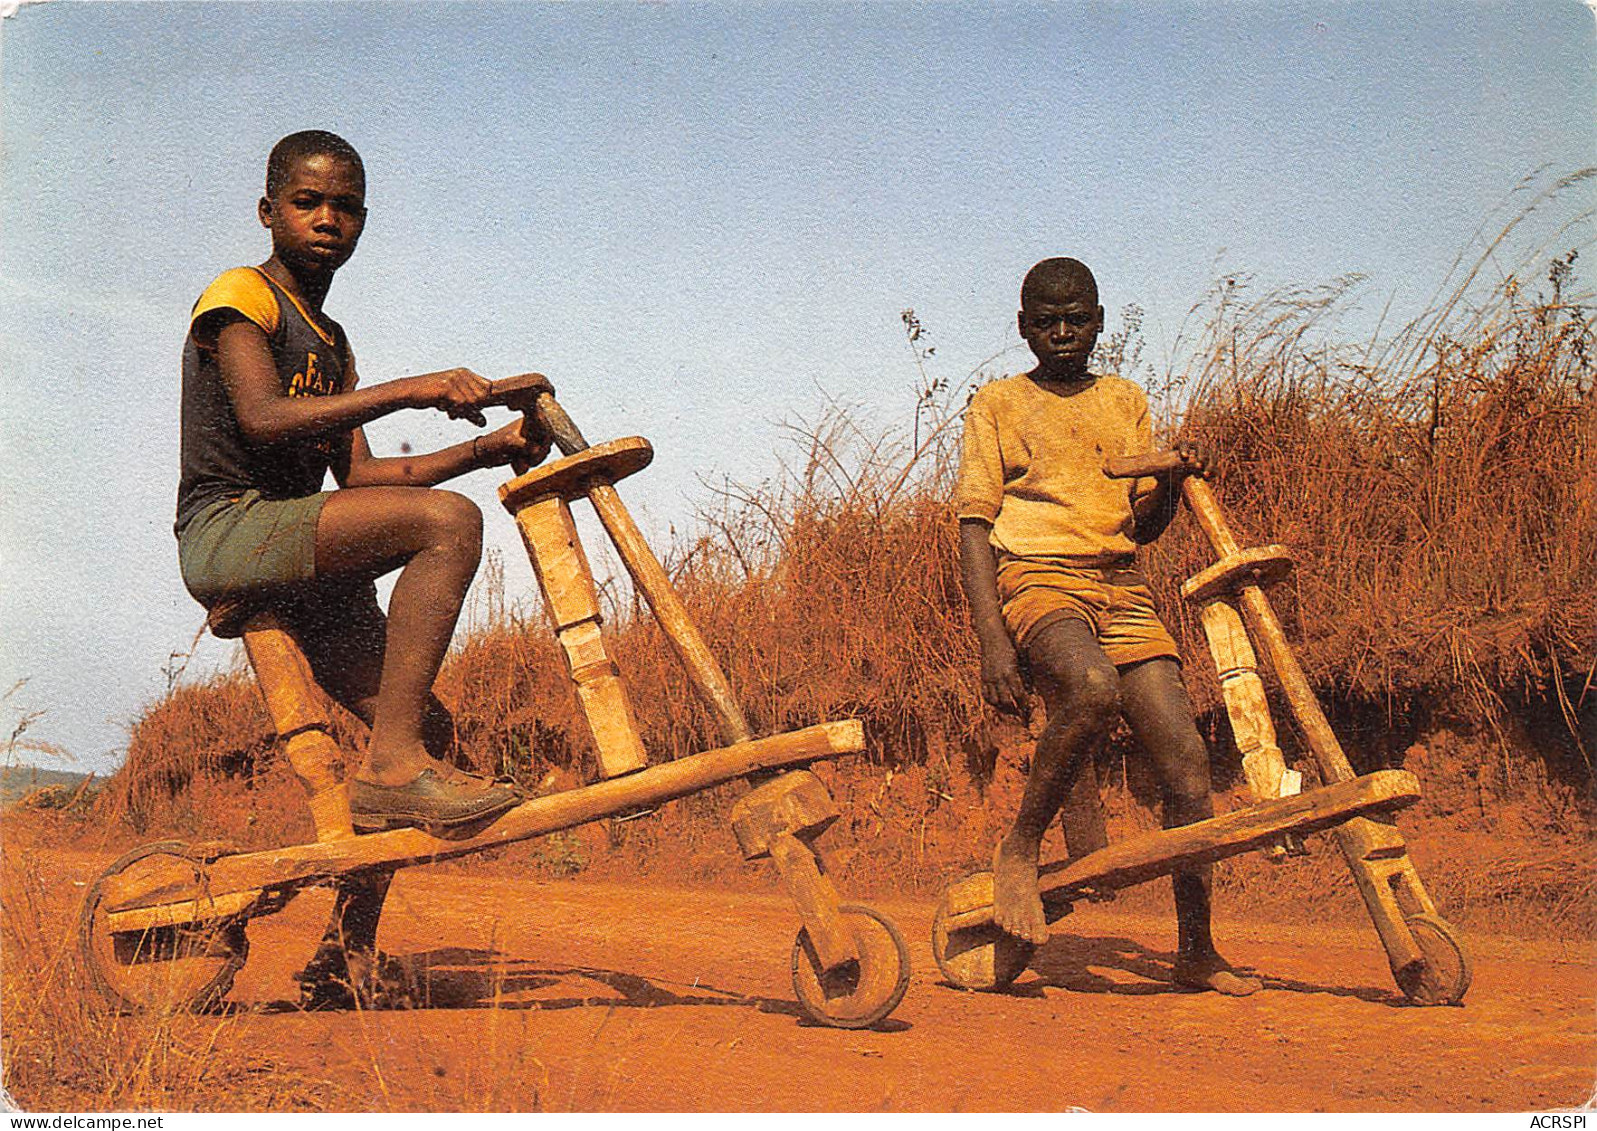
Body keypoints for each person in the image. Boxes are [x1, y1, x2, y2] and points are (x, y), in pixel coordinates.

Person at [176, 129, 551, 836]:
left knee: (421, 728)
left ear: (363, 222)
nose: (326, 220)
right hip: (226, 530)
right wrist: (412, 389)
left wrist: (490, 446)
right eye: (305, 202)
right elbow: (262, 418)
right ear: (267, 211)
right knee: (448, 521)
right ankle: (391, 769)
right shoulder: (239, 296)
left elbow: (366, 475)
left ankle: (346, 944)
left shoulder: (332, 340)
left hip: (297, 550)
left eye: (344, 207)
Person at [955, 256, 1261, 995]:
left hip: (1121, 586)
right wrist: (993, 641)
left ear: (1099, 321)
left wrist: (1175, 483)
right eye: (1045, 320)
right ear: (1023, 326)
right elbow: (971, 528)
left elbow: (1140, 523)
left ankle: (1196, 948)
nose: (1062, 333)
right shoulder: (996, 403)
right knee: (1089, 688)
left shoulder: (1124, 398)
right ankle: (1021, 848)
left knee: (1186, 765)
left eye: (1077, 318)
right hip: (1036, 579)